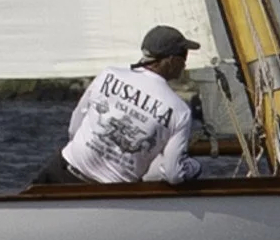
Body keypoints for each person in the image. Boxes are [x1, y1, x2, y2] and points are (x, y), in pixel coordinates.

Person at [32, 26, 203, 185]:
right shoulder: (180, 111)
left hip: (61, 172)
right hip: (109, 194)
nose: (185, 63)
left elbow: (74, 127)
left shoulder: (108, 75)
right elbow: (173, 174)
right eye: (184, 56)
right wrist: (195, 167)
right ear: (171, 60)